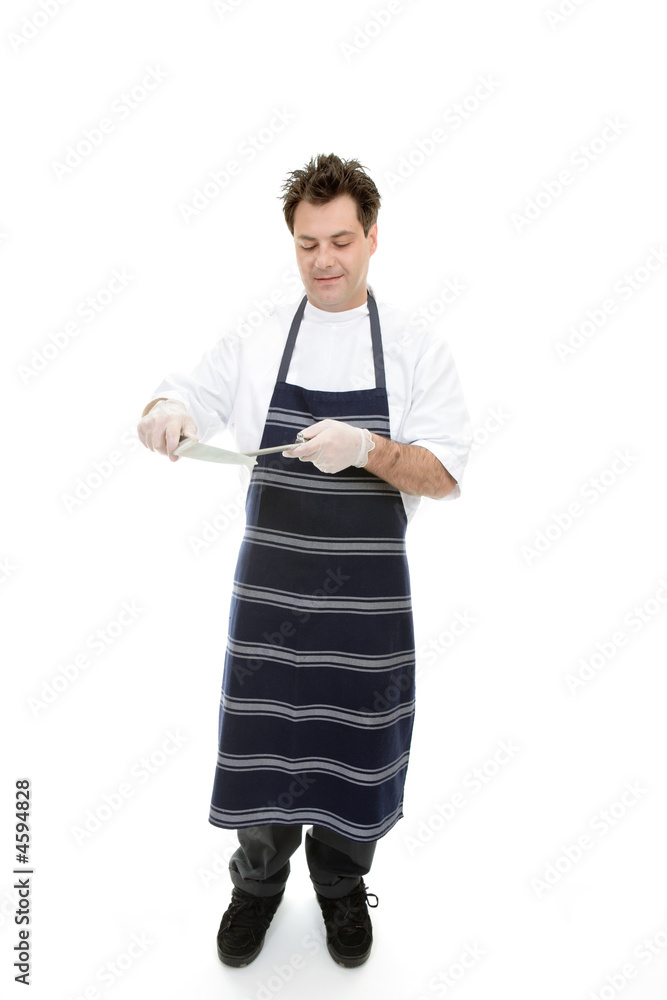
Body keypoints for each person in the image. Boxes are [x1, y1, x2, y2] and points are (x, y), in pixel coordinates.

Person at [137, 153, 472, 969]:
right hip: (271, 604)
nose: (323, 260)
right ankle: (256, 887)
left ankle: (340, 886)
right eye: (306, 243)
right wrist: (167, 410)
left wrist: (367, 449)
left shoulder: (415, 349)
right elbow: (187, 394)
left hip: (368, 613)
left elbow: (444, 474)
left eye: (341, 240)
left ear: (372, 237)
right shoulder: (257, 339)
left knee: (358, 751)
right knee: (263, 748)